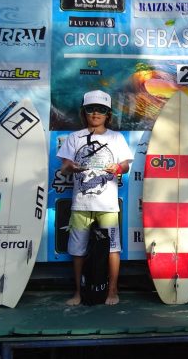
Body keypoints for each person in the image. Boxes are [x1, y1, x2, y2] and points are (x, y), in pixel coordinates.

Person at [57, 90, 133, 306]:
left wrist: (117, 167)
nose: (96, 113)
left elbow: (126, 166)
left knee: (113, 248)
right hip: (80, 204)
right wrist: (70, 167)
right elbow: (64, 167)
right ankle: (78, 293)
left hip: (108, 205)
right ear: (84, 112)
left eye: (101, 109)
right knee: (77, 249)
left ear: (108, 114)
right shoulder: (74, 137)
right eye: (91, 109)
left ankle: (112, 291)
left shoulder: (116, 138)